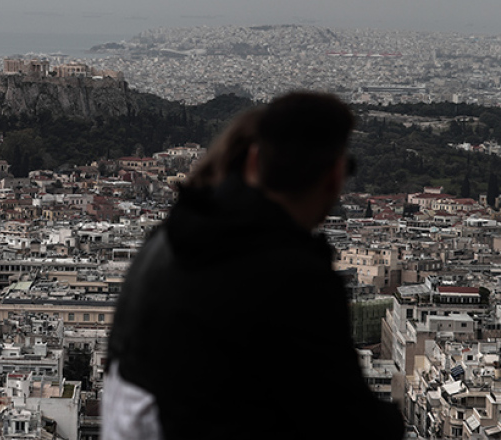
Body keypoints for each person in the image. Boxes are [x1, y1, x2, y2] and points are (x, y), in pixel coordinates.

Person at [103, 92, 404, 440]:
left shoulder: (171, 235)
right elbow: (347, 420)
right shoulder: (290, 273)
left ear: (254, 161)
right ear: (335, 176)